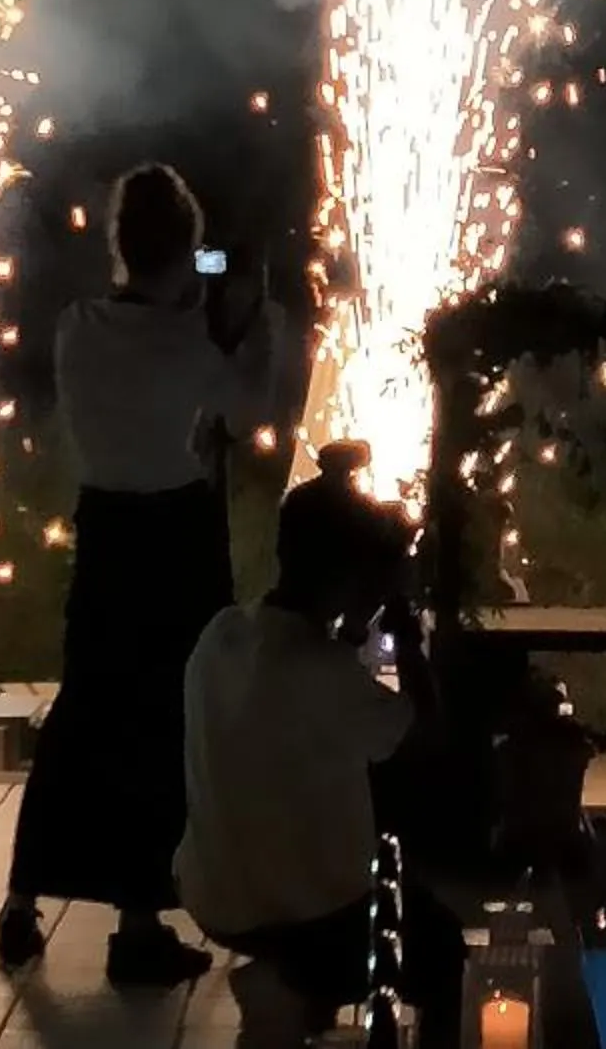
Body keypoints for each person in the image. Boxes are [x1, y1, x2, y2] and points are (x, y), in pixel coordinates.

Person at [0, 163, 283, 985]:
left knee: (85, 711)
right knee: (163, 723)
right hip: (174, 532)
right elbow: (249, 406)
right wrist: (252, 317)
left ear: (120, 244)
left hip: (105, 530)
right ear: (189, 244)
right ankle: (137, 921)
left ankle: (22, 902)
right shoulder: (189, 337)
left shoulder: (78, 325)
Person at [181, 442, 442, 1046]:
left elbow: (304, 697)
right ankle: (302, 983)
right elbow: (423, 734)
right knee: (442, 950)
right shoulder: (321, 672)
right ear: (353, 578)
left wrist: (352, 622)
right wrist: (403, 631)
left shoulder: (223, 634)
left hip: (212, 893)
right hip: (307, 915)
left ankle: (291, 1000)